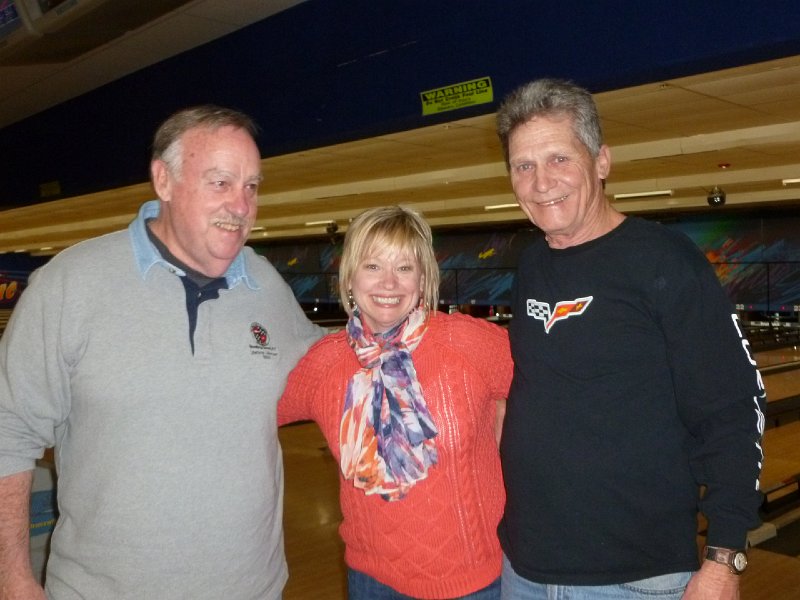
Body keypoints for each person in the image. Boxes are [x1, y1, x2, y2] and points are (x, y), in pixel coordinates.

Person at [0, 105, 322, 599]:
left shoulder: (265, 284)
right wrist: (13, 579)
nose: (241, 205)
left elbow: (332, 367)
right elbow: (8, 431)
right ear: (163, 180)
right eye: (220, 182)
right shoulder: (70, 284)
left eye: (252, 186)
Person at [494, 78, 766, 600]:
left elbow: (733, 408)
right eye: (523, 166)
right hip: (525, 568)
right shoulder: (530, 266)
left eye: (558, 159)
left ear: (601, 161)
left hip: (634, 578)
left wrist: (724, 559)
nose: (541, 182)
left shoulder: (665, 260)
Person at [278, 205, 513, 599]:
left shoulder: (470, 344)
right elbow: (247, 411)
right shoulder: (324, 363)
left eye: (404, 267)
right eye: (372, 266)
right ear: (349, 277)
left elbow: (554, 391)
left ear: (423, 278)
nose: (389, 282)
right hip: (372, 580)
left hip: (472, 583)